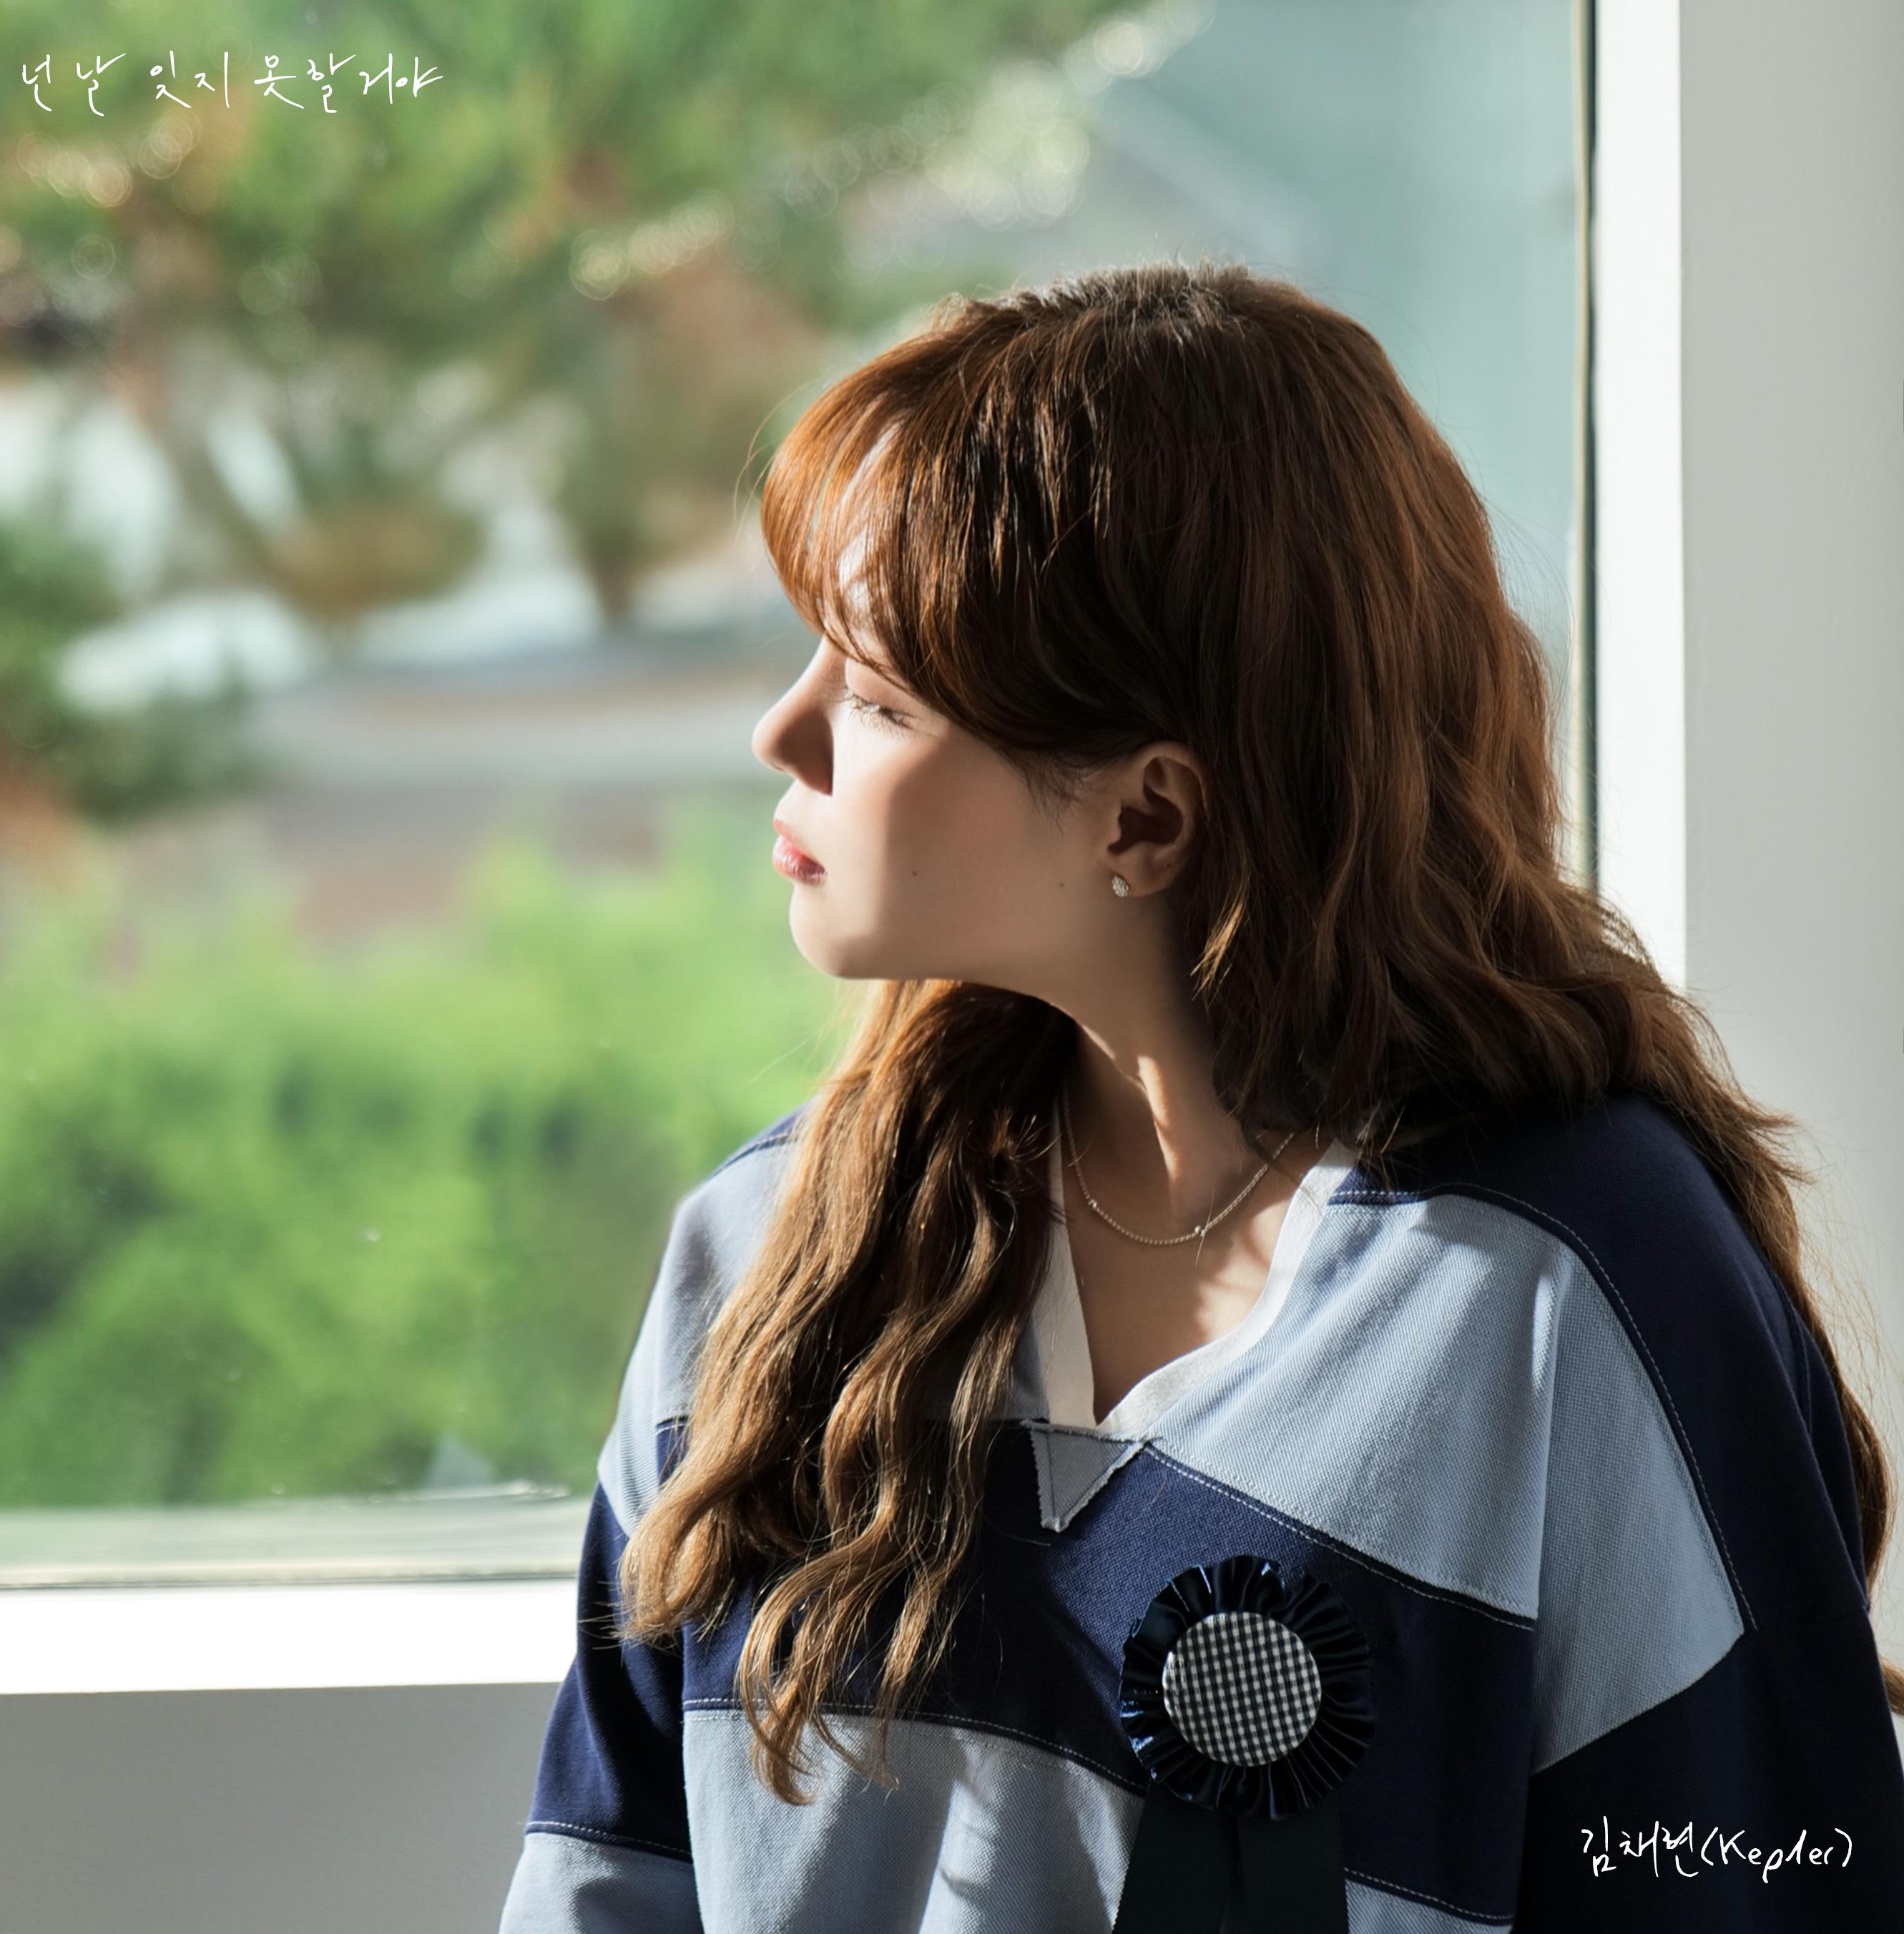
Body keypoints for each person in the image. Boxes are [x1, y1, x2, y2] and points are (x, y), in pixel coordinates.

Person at [497, 260, 1904, 1933]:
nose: (778, 732)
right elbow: (602, 1882)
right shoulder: (761, 1253)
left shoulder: (1569, 1289)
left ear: (1146, 818)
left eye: (876, 697)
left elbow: (1757, 1886)